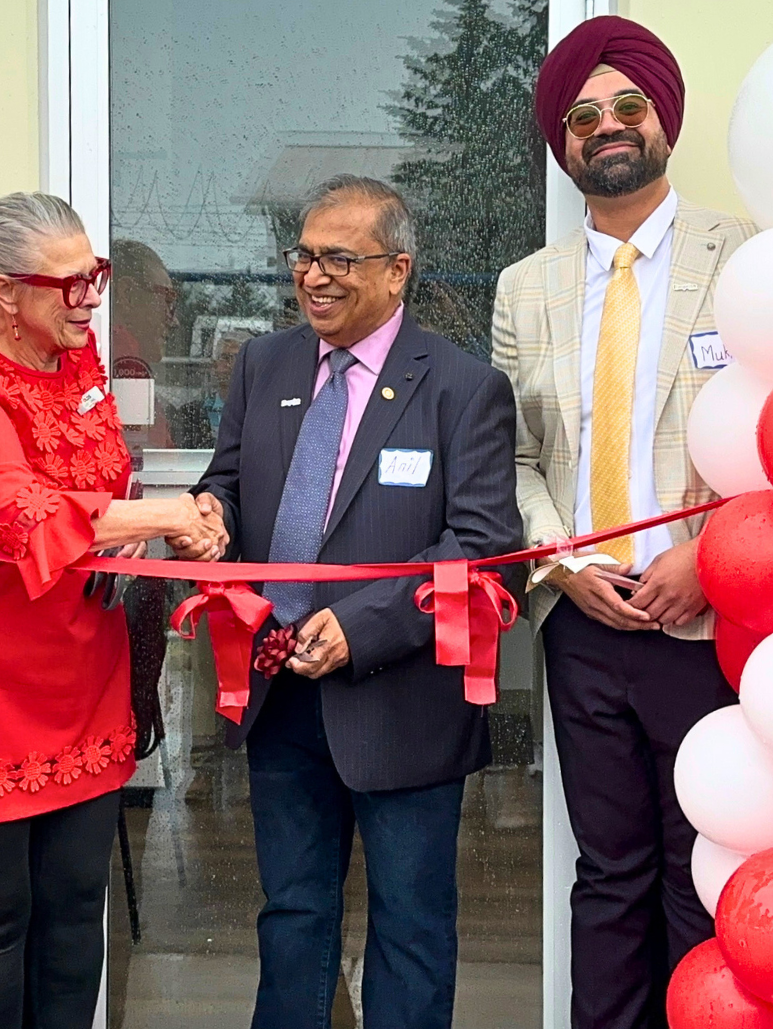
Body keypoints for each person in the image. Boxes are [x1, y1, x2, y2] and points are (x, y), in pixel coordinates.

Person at [0, 192, 225, 1029]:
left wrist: (158, 525)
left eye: (96, 276)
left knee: (78, 905)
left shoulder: (76, 357)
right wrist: (164, 517)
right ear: (5, 290)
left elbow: (103, 486)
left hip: (85, 659)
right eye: (70, 284)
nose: (92, 299)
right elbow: (20, 507)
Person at [195, 175, 521, 1029]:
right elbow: (225, 480)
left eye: (340, 258)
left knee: (411, 929)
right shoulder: (263, 364)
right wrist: (206, 516)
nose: (315, 276)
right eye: (304, 256)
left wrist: (364, 626)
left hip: (401, 702)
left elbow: (484, 547)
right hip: (280, 692)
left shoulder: (462, 386)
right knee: (292, 919)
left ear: (398, 269)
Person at [491, 15, 755, 1029]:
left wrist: (708, 556)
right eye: (581, 116)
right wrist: (560, 569)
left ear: (661, 121)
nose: (606, 126)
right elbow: (513, 457)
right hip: (585, 623)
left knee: (704, 864)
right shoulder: (528, 287)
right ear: (562, 146)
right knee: (608, 870)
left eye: (625, 107)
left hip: (707, 616)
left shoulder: (746, 257)